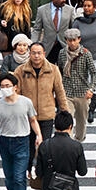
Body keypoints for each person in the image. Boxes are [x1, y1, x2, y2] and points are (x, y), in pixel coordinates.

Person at [13, 42, 69, 170]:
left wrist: (65, 112)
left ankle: (42, 171)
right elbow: (16, 93)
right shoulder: (20, 71)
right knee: (28, 146)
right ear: (29, 54)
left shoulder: (53, 70)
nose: (36, 56)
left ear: (44, 54)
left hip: (46, 115)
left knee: (45, 146)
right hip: (27, 117)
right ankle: (26, 170)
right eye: (33, 53)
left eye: (39, 53)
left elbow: (60, 92)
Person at [56, 29, 96, 143]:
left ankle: (79, 141)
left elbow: (94, 73)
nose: (72, 43)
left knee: (81, 121)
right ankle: (67, 142)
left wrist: (91, 89)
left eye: (74, 40)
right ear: (66, 41)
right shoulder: (62, 53)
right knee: (67, 118)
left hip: (82, 93)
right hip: (67, 92)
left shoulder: (86, 53)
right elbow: (59, 70)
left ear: (79, 39)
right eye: (69, 40)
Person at [32, 0, 75, 64]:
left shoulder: (70, 10)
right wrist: (33, 44)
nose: (64, 0)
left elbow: (73, 28)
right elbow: (37, 29)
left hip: (64, 45)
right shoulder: (42, 10)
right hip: (48, 46)